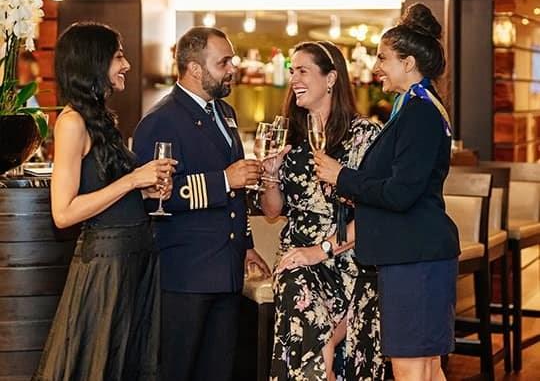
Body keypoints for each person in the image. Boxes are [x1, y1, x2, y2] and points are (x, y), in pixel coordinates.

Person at [315, 4, 459, 381]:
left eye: (383, 58)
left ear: (408, 63)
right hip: (416, 254)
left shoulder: (419, 112)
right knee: (426, 368)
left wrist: (342, 176)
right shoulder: (414, 107)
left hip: (415, 256)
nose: (376, 66)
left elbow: (400, 193)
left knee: (412, 368)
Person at [32, 22, 176, 380]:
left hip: (132, 262)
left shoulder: (102, 119)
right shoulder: (72, 122)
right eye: (118, 57)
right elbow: (64, 212)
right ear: (94, 62)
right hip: (105, 270)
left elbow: (107, 190)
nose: (127, 65)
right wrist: (132, 180)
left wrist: (144, 191)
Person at [132, 26, 271, 381]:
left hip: (226, 269)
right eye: (224, 62)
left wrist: (246, 245)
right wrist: (223, 179)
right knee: (177, 371)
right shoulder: (160, 120)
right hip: (186, 273)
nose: (232, 69)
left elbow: (236, 197)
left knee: (218, 372)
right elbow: (156, 197)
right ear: (194, 68)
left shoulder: (225, 112)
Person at [260, 41, 385, 381]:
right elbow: (273, 210)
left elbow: (374, 214)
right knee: (293, 280)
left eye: (303, 71)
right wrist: (270, 175)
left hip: (350, 255)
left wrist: (322, 250)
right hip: (298, 253)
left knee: (313, 343)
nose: (294, 80)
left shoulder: (365, 136)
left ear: (331, 78)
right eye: (292, 72)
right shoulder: (290, 135)